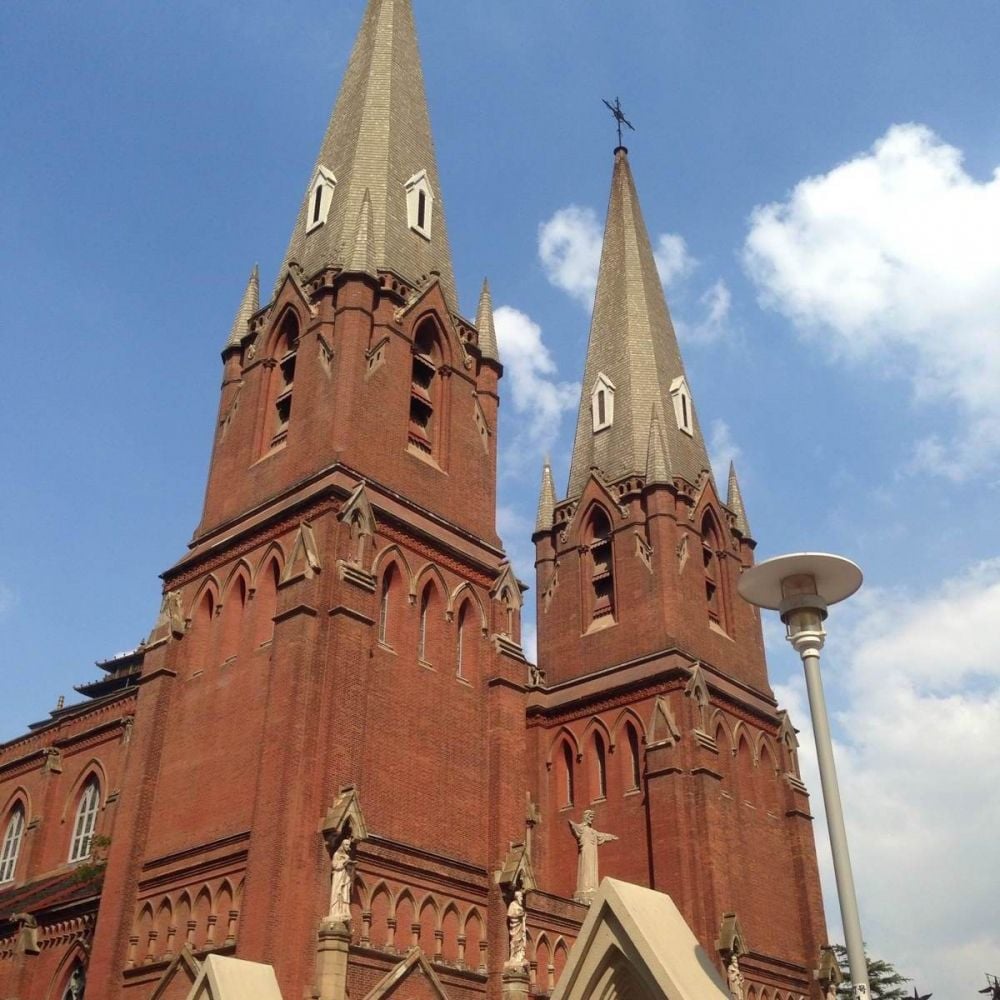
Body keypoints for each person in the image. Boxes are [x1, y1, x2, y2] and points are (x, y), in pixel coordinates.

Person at [569, 810, 617, 903]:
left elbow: (601, 836)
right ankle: (585, 889)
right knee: (586, 868)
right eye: (590, 817)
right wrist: (571, 823)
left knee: (592, 869)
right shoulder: (581, 828)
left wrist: (611, 837)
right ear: (586, 817)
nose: (592, 819)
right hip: (585, 852)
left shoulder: (593, 831)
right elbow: (574, 827)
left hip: (593, 854)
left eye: (592, 817)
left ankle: (592, 889)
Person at [328, 836, 355, 923]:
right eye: (346, 845)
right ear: (342, 845)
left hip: (345, 877)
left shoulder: (347, 856)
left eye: (348, 845)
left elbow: (349, 869)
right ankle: (335, 912)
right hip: (338, 876)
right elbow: (335, 866)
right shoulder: (336, 854)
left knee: (344, 893)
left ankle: (343, 911)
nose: (348, 847)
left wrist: (350, 866)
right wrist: (344, 862)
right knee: (337, 892)